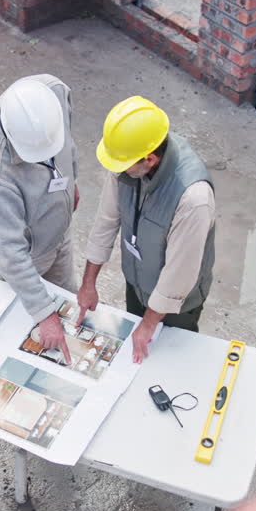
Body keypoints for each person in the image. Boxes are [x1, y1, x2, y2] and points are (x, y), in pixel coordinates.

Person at [76, 96, 216, 363]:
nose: (115, 172)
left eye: (122, 167)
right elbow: (106, 221)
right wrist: (88, 283)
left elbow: (179, 275)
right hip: (138, 284)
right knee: (135, 358)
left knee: (167, 364)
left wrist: (150, 323)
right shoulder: (127, 160)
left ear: (149, 159)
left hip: (177, 304)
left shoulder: (192, 198)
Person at [0, 75, 81, 364]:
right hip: (30, 255)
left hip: (59, 232)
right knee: (24, 329)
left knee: (69, 305)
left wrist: (73, 181)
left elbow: (68, 145)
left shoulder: (54, 92)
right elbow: (10, 254)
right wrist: (44, 315)